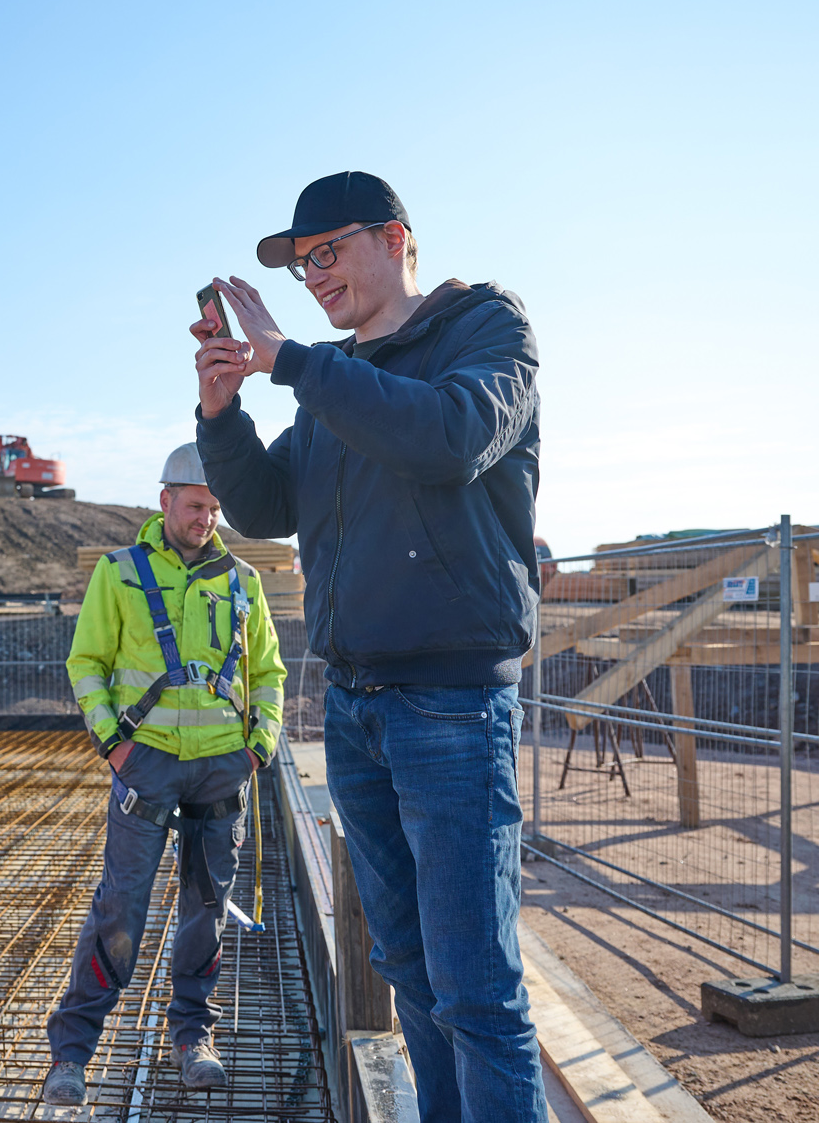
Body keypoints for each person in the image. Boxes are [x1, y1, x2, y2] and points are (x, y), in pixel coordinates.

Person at [192, 170, 547, 1122]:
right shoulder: (334, 382)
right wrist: (223, 411)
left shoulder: (485, 330)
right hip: (355, 706)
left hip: (451, 705)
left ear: (394, 238)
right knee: (410, 971)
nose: (313, 275)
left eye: (327, 251)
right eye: (302, 263)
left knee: (476, 989)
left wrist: (298, 363)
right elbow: (268, 503)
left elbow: (449, 437)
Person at [41, 444, 287, 1106]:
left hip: (221, 770)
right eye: (195, 505)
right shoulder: (120, 572)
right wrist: (114, 746)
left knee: (207, 909)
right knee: (121, 905)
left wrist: (258, 746)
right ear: (165, 501)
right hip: (145, 762)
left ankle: (193, 1038)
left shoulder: (242, 581)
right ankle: (72, 1051)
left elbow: (269, 671)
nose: (206, 518)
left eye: (214, 509)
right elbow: (86, 662)